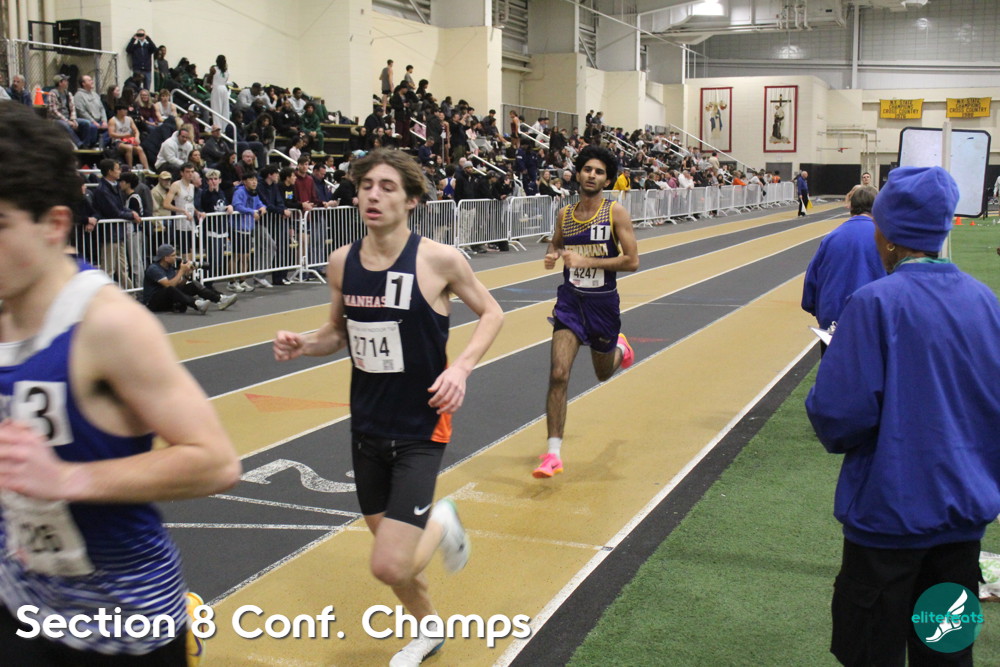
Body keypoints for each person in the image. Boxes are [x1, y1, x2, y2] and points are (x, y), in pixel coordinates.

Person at [0, 100, 240, 663]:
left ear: (54, 225)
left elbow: (214, 461)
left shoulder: (108, 326)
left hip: (123, 626)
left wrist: (65, 479)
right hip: (21, 605)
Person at [273, 149, 503, 667]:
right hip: (367, 425)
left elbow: (491, 313)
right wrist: (303, 344)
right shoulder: (342, 262)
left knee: (389, 564)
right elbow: (336, 333)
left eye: (387, 187)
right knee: (397, 557)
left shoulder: (439, 260)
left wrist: (461, 368)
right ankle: (428, 631)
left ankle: (442, 521)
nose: (373, 195)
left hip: (421, 425)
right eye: (366, 186)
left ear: (412, 200)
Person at [805, 166, 1000, 667]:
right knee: (946, 654)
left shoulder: (874, 303)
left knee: (873, 653)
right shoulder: (986, 303)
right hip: (961, 525)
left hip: (887, 523)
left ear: (887, 234)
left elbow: (839, 415)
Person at [535, 145, 639, 478]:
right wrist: (553, 254)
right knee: (558, 373)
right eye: (587, 169)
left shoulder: (615, 213)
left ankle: (620, 347)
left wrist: (587, 261)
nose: (592, 175)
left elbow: (632, 261)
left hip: (602, 305)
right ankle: (553, 454)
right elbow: (557, 242)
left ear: (607, 180)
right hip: (570, 303)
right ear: (578, 174)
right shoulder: (565, 215)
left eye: (599, 172)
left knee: (602, 373)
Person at [801, 186, 884, 354]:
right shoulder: (885, 239)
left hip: (833, 326)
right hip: (871, 326)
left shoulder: (831, 238)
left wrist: (821, 312)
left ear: (851, 206)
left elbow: (811, 283)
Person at [143, 243, 236, 313]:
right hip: (153, 302)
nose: (176, 257)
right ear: (166, 258)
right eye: (173, 255)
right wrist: (181, 271)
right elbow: (169, 285)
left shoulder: (170, 267)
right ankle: (196, 304)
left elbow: (178, 285)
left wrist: (187, 275)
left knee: (193, 285)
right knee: (170, 289)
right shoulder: (154, 269)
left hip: (168, 298)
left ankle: (220, 299)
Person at [209, 55, 230, 127]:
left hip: (217, 88)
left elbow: (209, 79)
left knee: (216, 109)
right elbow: (226, 80)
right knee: (225, 109)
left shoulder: (213, 69)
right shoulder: (227, 71)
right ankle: (225, 126)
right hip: (224, 89)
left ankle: (217, 126)